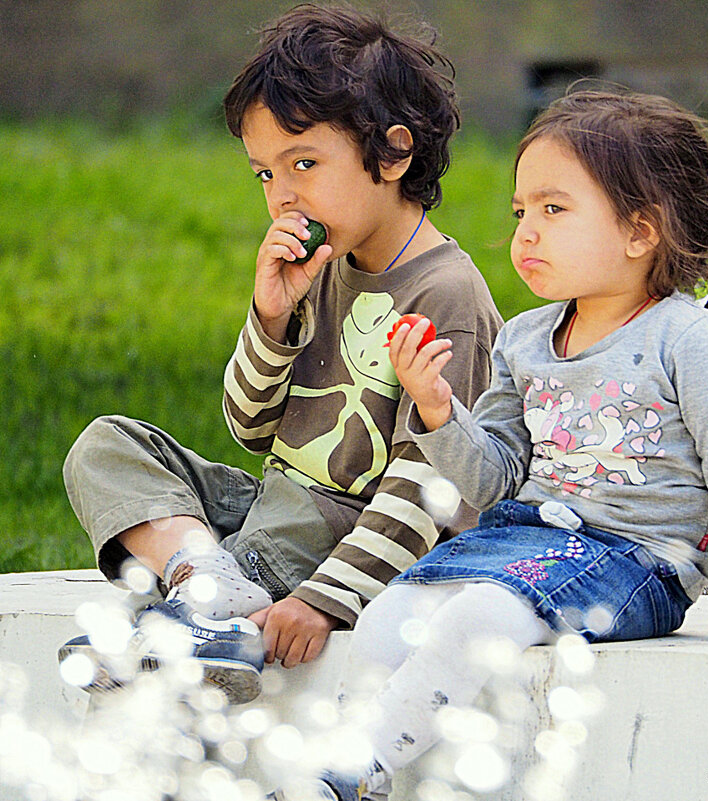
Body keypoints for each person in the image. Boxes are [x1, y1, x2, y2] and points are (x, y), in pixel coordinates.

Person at [274, 89, 708, 801]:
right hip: (520, 540)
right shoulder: (525, 339)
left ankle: (350, 768)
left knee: (478, 615)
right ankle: (351, 773)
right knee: (388, 613)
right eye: (519, 212)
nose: (525, 233)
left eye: (553, 210)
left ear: (639, 230)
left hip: (633, 561)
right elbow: (494, 478)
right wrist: (437, 409)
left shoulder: (692, 344)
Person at [58, 3, 502, 704]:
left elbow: (430, 491)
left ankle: (192, 617)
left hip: (353, 528)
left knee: (285, 523)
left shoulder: (445, 294)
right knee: (106, 446)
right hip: (276, 502)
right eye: (264, 174)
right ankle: (208, 592)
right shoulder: (322, 264)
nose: (282, 195)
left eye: (303, 163)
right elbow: (250, 427)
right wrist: (271, 316)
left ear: (392, 153)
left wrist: (326, 600)